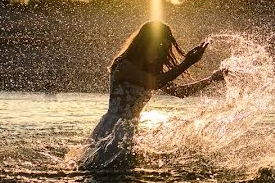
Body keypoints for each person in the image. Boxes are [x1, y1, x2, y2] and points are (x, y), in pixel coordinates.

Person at [78, 20, 226, 170]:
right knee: (103, 175)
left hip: (130, 130)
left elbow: (180, 92)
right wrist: (187, 63)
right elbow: (154, 83)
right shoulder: (124, 65)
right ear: (146, 43)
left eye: (165, 47)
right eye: (160, 46)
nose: (162, 52)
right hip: (111, 129)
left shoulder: (150, 72)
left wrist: (211, 79)